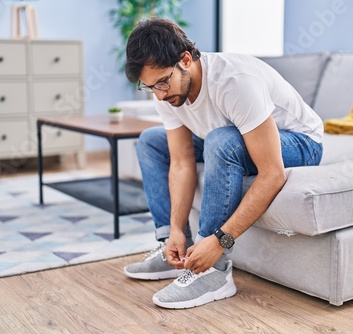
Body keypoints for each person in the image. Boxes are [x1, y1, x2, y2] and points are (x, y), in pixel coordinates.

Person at [123, 17, 324, 309]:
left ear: (186, 59)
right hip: (230, 136)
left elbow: (273, 174)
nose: (160, 95)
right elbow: (181, 163)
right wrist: (177, 229)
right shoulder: (164, 90)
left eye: (163, 83)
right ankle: (171, 251)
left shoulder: (234, 82)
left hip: (301, 142)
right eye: (150, 87)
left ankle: (213, 271)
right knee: (151, 141)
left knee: (221, 141)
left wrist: (218, 242)